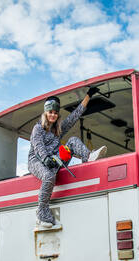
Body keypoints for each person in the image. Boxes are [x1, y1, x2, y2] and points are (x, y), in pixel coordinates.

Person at [28, 87, 108, 229]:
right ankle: (41, 213)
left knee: (71, 141)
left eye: (55, 113)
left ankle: (89, 156)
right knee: (48, 177)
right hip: (37, 160)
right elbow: (38, 145)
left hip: (53, 160)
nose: (53, 115)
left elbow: (74, 116)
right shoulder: (38, 128)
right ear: (45, 113)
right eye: (50, 112)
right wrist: (46, 158)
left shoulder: (58, 129)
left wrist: (88, 96)